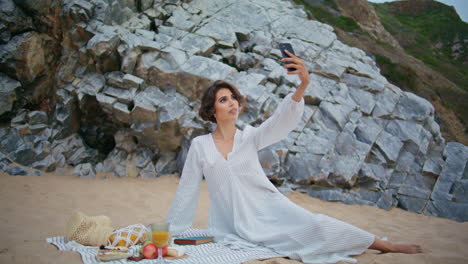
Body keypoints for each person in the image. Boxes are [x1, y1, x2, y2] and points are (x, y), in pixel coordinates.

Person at [166, 50, 422, 263]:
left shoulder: (250, 137)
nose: (233, 102)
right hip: (234, 226)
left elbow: (280, 121)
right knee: (305, 237)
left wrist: (303, 85)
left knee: (318, 224)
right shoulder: (201, 146)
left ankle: (383, 245)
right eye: (224, 99)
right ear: (211, 110)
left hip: (271, 209)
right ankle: (368, 243)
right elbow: (186, 190)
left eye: (234, 97)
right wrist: (170, 232)